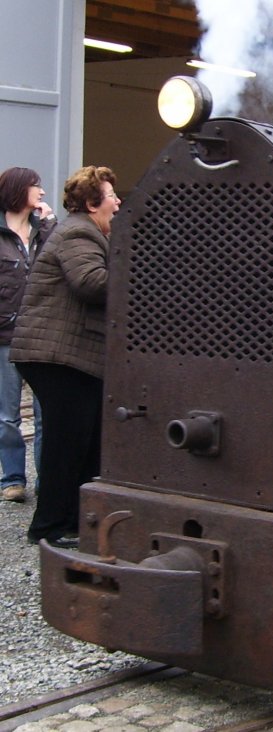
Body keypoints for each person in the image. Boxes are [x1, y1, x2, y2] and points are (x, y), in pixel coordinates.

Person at [11, 166, 120, 548]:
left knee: (86, 439)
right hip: (57, 355)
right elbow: (91, 282)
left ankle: (75, 520)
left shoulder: (87, 232)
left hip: (70, 354)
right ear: (92, 203)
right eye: (111, 196)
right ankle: (48, 528)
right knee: (67, 442)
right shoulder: (77, 231)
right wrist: (141, 272)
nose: (118, 202)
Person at [0, 168, 55, 503]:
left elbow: (58, 261)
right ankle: (12, 479)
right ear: (21, 190)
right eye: (38, 187)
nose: (43, 193)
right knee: (7, 415)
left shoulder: (44, 230)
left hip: (41, 334)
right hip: (4, 336)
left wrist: (48, 223)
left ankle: (45, 480)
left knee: (44, 412)